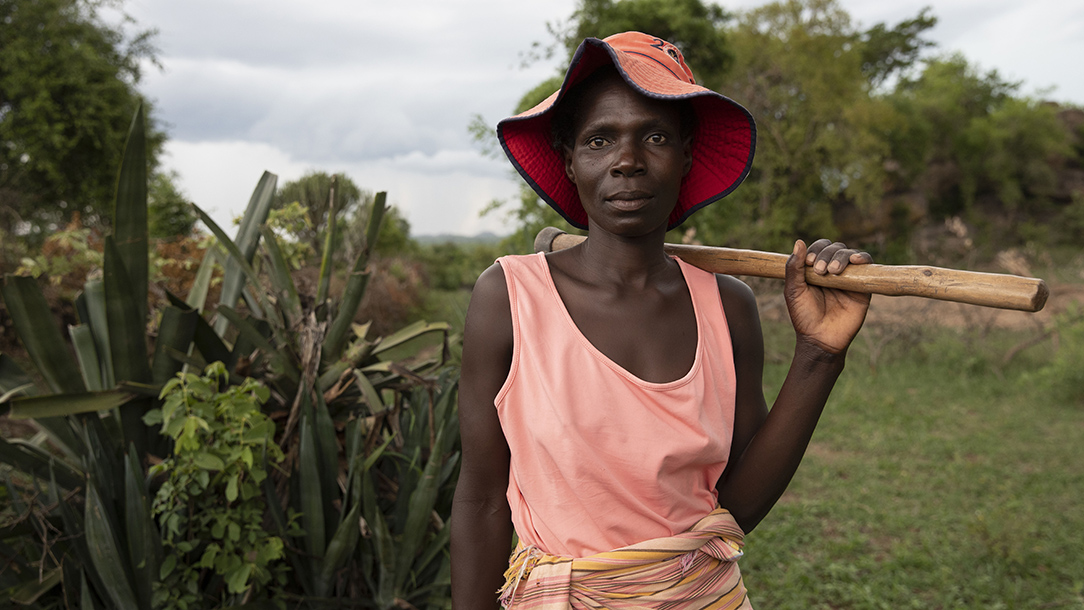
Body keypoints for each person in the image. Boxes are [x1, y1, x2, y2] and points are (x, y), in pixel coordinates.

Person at [450, 32, 873, 609]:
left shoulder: (728, 306)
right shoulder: (510, 296)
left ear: (686, 156)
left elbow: (737, 506)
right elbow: (481, 500)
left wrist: (819, 356)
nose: (627, 161)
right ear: (571, 162)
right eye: (600, 140)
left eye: (654, 137)